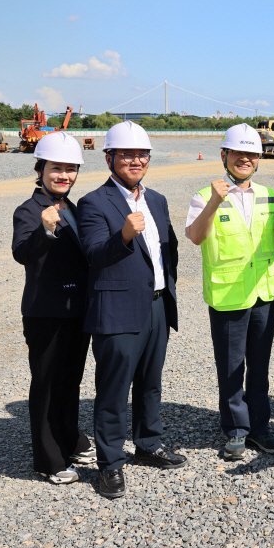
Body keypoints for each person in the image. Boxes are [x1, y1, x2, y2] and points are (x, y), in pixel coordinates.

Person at [78, 121, 184, 499]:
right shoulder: (94, 202)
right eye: (126, 154)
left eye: (141, 154)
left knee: (150, 382)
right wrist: (123, 235)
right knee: (113, 387)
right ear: (109, 158)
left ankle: (148, 442)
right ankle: (109, 463)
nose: (135, 160)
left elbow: (167, 252)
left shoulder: (156, 200)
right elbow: (92, 254)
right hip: (118, 309)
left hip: (156, 304)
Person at [185, 124, 274, 461]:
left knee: (260, 367)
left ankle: (260, 428)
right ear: (224, 156)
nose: (244, 159)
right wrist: (216, 201)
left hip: (264, 294)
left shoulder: (269, 196)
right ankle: (235, 431)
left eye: (251, 155)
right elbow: (196, 236)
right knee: (231, 367)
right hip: (228, 295)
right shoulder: (203, 196)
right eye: (238, 153)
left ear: (259, 160)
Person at [11, 132, 94, 484]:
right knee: (46, 383)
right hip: (45, 311)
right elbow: (22, 253)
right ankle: (48, 460)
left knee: (70, 379)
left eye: (70, 169)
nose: (64, 175)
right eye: (56, 168)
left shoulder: (70, 208)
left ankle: (69, 437)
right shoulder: (29, 210)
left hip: (75, 309)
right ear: (41, 168)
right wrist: (43, 232)